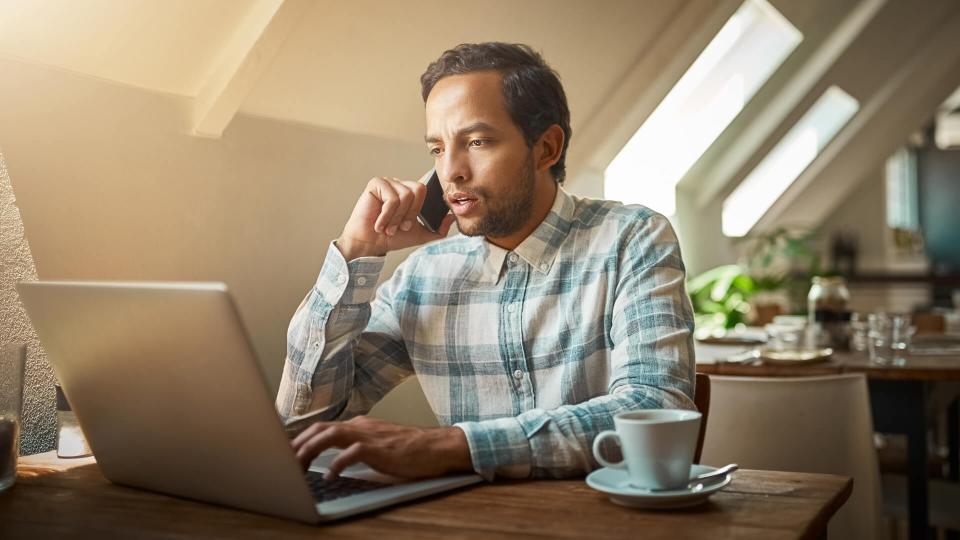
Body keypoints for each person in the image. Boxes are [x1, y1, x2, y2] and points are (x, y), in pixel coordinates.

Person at [278, 42, 695, 482]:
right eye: (437, 149)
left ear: (546, 148)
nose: (451, 171)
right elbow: (302, 423)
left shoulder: (632, 237)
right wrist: (358, 249)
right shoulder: (424, 276)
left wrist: (454, 446)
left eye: (476, 142)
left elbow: (655, 408)